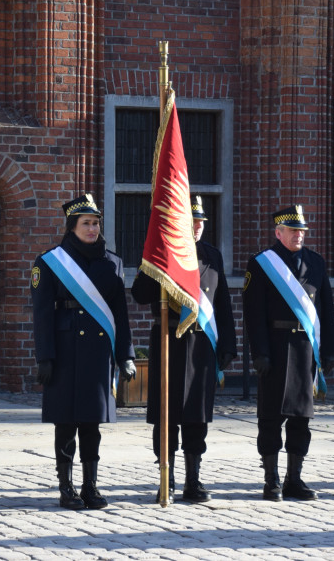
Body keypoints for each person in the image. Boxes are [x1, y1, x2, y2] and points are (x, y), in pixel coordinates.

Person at [32, 193, 135, 510]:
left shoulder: (112, 262)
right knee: (65, 423)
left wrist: (125, 355)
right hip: (64, 353)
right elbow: (42, 314)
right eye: (86, 223)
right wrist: (45, 357)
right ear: (72, 226)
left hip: (97, 354)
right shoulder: (51, 262)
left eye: (95, 223)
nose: (92, 229)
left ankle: (90, 486)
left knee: (92, 424)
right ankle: (66, 487)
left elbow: (120, 314)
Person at [131, 195, 237, 503]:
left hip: (201, 345)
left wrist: (227, 344)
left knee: (197, 415)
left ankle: (193, 480)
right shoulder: (162, 254)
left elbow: (222, 304)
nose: (198, 227)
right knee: (166, 415)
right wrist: (154, 263)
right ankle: (169, 477)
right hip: (169, 343)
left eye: (201, 222)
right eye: (192, 221)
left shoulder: (211, 256)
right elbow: (140, 294)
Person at [243, 205, 334, 502]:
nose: (299, 235)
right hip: (275, 347)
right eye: (293, 231)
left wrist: (331, 348)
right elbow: (253, 313)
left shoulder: (316, 262)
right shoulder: (262, 263)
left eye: (302, 231)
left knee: (301, 418)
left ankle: (294, 479)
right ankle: (271, 480)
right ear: (278, 232)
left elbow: (326, 308)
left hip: (305, 349)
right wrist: (259, 351)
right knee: (271, 417)